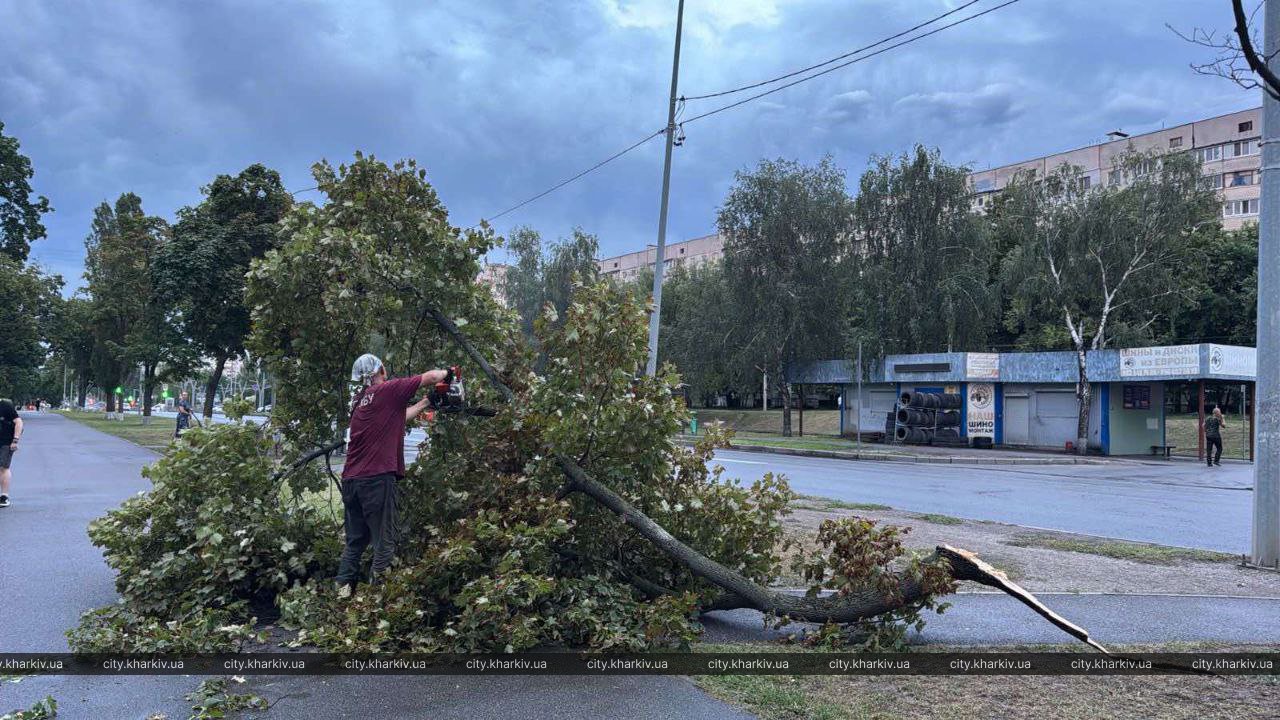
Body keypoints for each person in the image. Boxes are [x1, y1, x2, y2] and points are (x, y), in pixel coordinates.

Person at [335, 353, 449, 591]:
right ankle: (375, 602)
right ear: (381, 370)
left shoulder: (360, 400)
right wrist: (450, 373)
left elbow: (398, 417)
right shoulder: (388, 390)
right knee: (384, 543)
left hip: (351, 481)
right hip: (375, 480)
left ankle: (342, 594)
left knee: (355, 543)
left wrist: (427, 402)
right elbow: (431, 376)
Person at [0, 399, 23, 508]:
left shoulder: (6, 405)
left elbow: (19, 422)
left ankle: (4, 497)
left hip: (5, 442)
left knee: (3, 468)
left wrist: (15, 440)